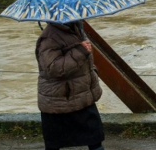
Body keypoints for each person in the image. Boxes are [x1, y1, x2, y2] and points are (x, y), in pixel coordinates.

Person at [35, 20, 105, 150]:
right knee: (55, 144)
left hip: (81, 95)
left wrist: (92, 73)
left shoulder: (76, 27)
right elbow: (53, 69)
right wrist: (80, 51)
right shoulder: (48, 38)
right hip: (59, 101)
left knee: (96, 139)